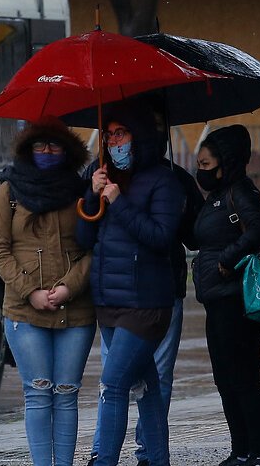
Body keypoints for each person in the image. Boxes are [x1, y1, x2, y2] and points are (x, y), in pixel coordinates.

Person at [86, 116, 203, 466]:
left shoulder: (164, 181)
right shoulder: (103, 176)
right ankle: (156, 459)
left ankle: (103, 459)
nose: (114, 141)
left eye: (120, 133)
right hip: (109, 300)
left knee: (114, 384)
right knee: (145, 385)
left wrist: (119, 201)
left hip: (145, 303)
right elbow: (83, 237)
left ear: (139, 137)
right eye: (109, 135)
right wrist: (91, 197)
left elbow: (159, 237)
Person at [0, 116, 96, 466]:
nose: (47, 152)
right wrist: (30, 291)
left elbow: (95, 247)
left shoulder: (82, 192)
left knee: (66, 394)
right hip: (24, 311)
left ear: (67, 151)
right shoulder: (9, 191)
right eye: (40, 146)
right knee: (37, 391)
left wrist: (68, 287)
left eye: (54, 146)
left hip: (75, 309)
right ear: (27, 150)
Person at [191, 124, 260, 466]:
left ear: (226, 163)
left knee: (244, 378)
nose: (201, 171)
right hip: (217, 299)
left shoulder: (240, 191)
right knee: (226, 378)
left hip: (236, 299)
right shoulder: (217, 195)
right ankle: (241, 452)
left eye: (207, 165)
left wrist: (229, 258)